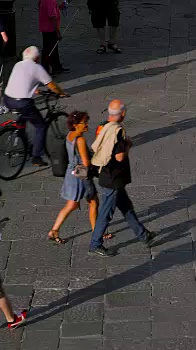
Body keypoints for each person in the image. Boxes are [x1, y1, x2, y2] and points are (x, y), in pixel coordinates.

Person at [88, 100, 155, 257]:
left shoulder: (103, 126)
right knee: (106, 212)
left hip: (108, 175)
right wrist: (128, 146)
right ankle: (95, 243)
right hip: (113, 179)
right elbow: (119, 157)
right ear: (123, 113)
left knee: (126, 207)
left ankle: (144, 235)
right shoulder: (117, 131)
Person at [47, 111, 113, 245]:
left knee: (73, 204)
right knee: (93, 202)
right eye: (84, 122)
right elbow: (85, 163)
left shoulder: (70, 136)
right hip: (81, 174)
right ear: (76, 124)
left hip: (71, 172)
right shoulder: (80, 140)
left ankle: (54, 230)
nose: (87, 124)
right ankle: (97, 232)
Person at [3, 46, 67, 167]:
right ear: (37, 57)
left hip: (7, 99)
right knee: (41, 126)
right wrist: (62, 93)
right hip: (22, 102)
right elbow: (52, 86)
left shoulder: (18, 65)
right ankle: (36, 156)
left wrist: (35, 91)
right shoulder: (37, 68)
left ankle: (20, 134)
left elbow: (21, 81)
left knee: (24, 116)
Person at [39, 0, 69, 74]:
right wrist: (57, 32)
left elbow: (48, 8)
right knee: (49, 50)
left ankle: (56, 66)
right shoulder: (50, 0)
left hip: (45, 27)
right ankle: (45, 70)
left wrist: (58, 7)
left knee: (53, 49)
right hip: (50, 28)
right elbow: (52, 16)